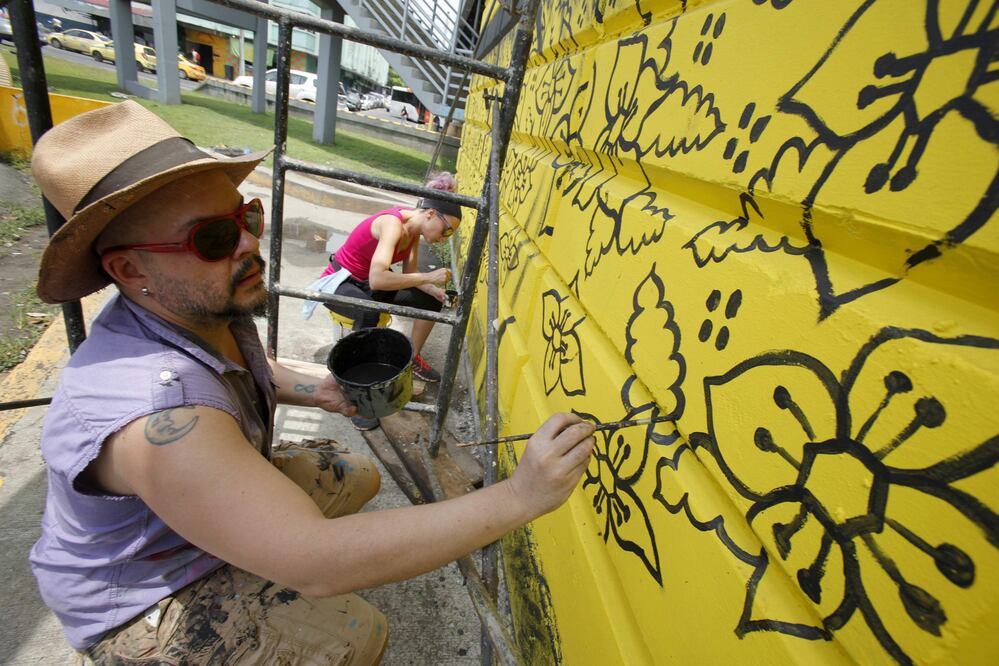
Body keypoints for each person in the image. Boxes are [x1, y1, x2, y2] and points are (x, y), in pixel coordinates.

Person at [27, 100, 596, 664]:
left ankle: (250, 540)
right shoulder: (154, 412)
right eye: (212, 239)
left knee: (358, 477)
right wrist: (521, 496)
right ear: (130, 271)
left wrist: (314, 388)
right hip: (144, 592)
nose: (248, 243)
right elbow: (317, 562)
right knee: (352, 631)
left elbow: (248, 368)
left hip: (185, 521)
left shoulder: (191, 306)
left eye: (245, 218)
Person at [312, 173, 460, 430]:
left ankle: (410, 359)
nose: (446, 238)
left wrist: (433, 290)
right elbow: (379, 279)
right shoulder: (392, 224)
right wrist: (429, 276)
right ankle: (358, 395)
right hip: (339, 282)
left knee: (429, 302)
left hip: (367, 283)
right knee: (369, 313)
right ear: (430, 214)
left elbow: (409, 276)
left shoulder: (413, 232)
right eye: (447, 229)